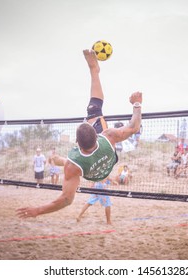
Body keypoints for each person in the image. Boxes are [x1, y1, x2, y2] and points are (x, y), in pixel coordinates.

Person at [17, 49, 142, 219]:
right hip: (107, 158)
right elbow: (134, 127)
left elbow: (66, 200)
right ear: (97, 133)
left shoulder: (73, 165)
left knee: (91, 113)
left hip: (90, 168)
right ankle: (94, 71)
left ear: (77, 142)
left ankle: (93, 70)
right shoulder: (108, 136)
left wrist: (37, 211)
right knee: (94, 110)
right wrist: (136, 103)